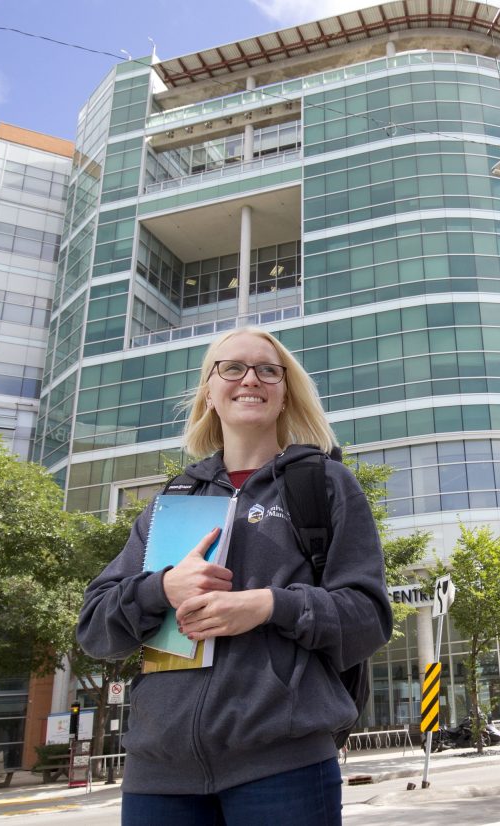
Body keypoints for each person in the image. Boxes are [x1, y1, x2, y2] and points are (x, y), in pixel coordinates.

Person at [78, 328, 393, 826]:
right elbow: (94, 629)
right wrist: (161, 587)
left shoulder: (325, 483)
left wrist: (267, 605)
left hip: (283, 765)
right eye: (233, 368)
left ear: (285, 391)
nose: (251, 379)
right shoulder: (177, 499)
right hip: (159, 776)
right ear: (209, 389)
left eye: (268, 370)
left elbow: (369, 617)